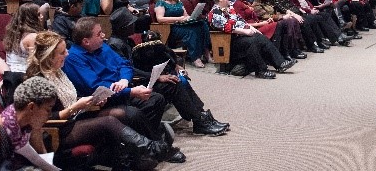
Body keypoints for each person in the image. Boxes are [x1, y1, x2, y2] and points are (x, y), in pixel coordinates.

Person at [26, 31, 168, 170]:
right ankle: (151, 149)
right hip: (58, 129)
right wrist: (75, 107)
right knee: (108, 122)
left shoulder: (58, 72)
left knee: (120, 113)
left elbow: (69, 99)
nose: (67, 54)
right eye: (62, 52)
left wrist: (91, 101)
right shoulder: (39, 82)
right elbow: (44, 119)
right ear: (49, 57)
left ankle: (132, 159)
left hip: (75, 117)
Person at [62, 18, 186, 163]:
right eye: (99, 33)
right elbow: (96, 86)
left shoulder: (103, 47)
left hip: (120, 92)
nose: (103, 35)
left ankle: (140, 149)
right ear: (86, 41)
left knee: (155, 99)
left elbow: (125, 65)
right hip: (100, 102)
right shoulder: (74, 58)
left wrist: (124, 80)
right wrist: (130, 91)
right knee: (133, 113)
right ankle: (159, 148)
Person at [107, 12, 227, 137]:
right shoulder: (114, 45)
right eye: (131, 23)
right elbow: (129, 70)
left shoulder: (127, 41)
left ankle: (202, 116)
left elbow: (135, 66)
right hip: (132, 84)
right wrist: (157, 77)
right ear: (123, 27)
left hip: (140, 79)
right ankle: (199, 121)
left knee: (176, 79)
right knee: (172, 85)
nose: (134, 25)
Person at [208, 0, 294, 79]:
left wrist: (250, 27)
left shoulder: (229, 8)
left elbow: (241, 20)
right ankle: (261, 70)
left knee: (260, 37)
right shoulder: (215, 12)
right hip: (228, 41)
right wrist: (245, 31)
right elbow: (226, 27)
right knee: (252, 41)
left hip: (239, 37)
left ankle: (280, 63)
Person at [154, 0, 210, 68]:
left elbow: (186, 15)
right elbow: (160, 18)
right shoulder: (161, 3)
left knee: (202, 24)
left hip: (182, 24)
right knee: (192, 31)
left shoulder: (178, 2)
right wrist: (179, 19)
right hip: (171, 28)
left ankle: (206, 52)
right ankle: (195, 57)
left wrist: (191, 17)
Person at [2, 3, 43, 73]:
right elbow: (35, 64)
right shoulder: (32, 37)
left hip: (11, 72)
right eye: (39, 14)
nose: (42, 16)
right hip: (24, 75)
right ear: (31, 18)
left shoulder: (13, 32)